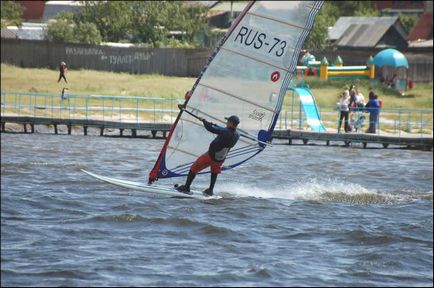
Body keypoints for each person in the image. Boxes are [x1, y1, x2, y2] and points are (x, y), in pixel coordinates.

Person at [176, 112, 240, 196]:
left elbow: (210, 129)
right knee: (214, 172)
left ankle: (186, 187)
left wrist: (203, 121)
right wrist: (213, 124)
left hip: (210, 156)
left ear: (231, 123)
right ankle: (210, 190)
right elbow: (222, 129)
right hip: (221, 159)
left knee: (194, 168)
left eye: (228, 121)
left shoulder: (225, 131)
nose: (226, 122)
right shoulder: (237, 134)